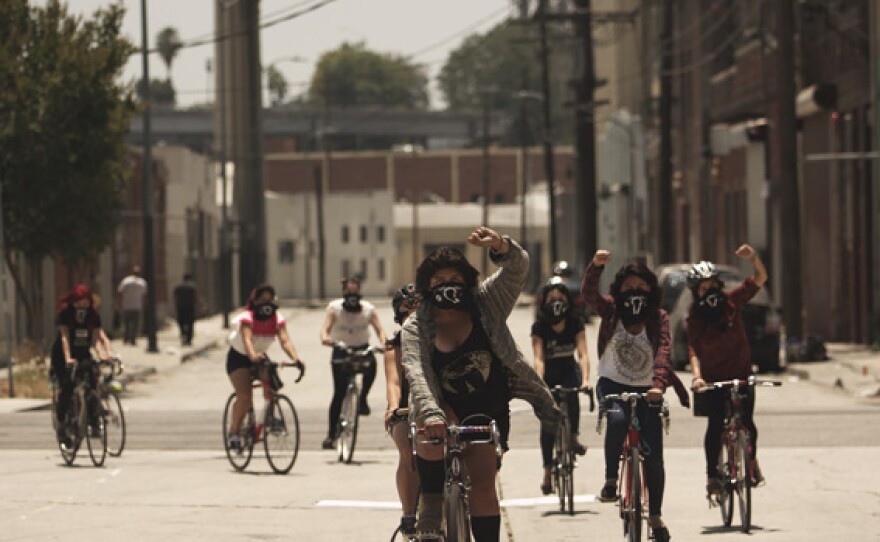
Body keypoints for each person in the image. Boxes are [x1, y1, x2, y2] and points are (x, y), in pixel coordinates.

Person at [403, 226, 559, 542]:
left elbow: (518, 270)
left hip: (487, 410)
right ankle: (430, 503)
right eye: (439, 283)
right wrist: (432, 413)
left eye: (455, 281)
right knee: (432, 430)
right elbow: (417, 372)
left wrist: (501, 246)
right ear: (426, 288)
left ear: (468, 282)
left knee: (484, 485)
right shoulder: (416, 326)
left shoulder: (487, 304)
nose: (448, 287)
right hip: (439, 407)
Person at [581, 250, 689, 542]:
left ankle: (654, 515)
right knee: (616, 421)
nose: (635, 293)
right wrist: (596, 267)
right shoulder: (612, 311)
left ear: (651, 291)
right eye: (628, 288)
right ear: (619, 291)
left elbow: (665, 349)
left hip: (649, 389)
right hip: (611, 383)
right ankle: (611, 479)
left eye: (641, 288)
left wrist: (658, 385)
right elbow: (589, 295)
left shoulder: (659, 317)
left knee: (654, 456)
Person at [687, 245, 769, 494]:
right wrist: (698, 377)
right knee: (715, 427)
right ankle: (712, 475)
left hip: (741, 374)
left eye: (712, 285)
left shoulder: (732, 302)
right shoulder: (696, 317)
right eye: (703, 288)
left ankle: (751, 462)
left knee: (747, 423)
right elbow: (693, 349)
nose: (709, 291)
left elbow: (760, 279)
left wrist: (753, 258)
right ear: (695, 293)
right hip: (713, 379)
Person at [226, 284, 304, 452]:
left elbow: (285, 340)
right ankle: (234, 432)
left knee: (272, 384)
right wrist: (252, 355)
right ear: (254, 301)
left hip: (259, 357)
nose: (266, 304)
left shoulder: (277, 319)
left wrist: (295, 358)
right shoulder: (247, 317)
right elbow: (247, 339)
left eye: (270, 300)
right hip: (239, 357)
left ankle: (270, 417)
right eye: (262, 300)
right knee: (245, 396)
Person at [531, 280, 591, 495]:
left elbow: (583, 354)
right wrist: (540, 385)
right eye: (551, 299)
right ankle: (547, 472)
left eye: (560, 299)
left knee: (572, 397)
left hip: (568, 370)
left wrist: (585, 380)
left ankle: (573, 436)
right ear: (544, 302)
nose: (556, 303)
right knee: (548, 421)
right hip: (549, 372)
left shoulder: (575, 322)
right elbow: (539, 359)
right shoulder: (539, 326)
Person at [320, 276, 386, 449]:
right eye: (348, 292)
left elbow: (379, 329)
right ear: (343, 292)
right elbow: (325, 329)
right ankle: (331, 435)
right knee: (339, 393)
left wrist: (385, 344)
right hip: (341, 348)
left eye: (355, 291)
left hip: (361, 347)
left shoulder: (368, 309)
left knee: (371, 366)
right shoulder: (334, 308)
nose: (352, 296)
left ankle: (363, 399)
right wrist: (326, 339)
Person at [51, 285, 116, 444]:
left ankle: (93, 419)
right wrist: (68, 358)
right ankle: (61, 426)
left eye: (86, 303)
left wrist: (103, 355)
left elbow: (95, 340)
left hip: (82, 353)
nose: (82, 307)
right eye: (79, 303)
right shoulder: (66, 315)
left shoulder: (93, 316)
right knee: (67, 386)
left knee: (92, 380)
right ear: (74, 302)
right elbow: (64, 338)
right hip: (62, 354)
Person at [383, 283, 422, 537]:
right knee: (407, 452)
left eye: (418, 308)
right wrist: (394, 407)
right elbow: (394, 382)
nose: (413, 315)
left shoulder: (439, 336)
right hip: (408, 408)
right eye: (407, 311)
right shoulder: (393, 345)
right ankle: (409, 515)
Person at [117, 265, 147, 345]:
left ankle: (127, 338)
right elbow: (144, 295)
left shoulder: (126, 281)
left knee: (127, 323)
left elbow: (120, 292)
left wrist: (119, 303)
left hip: (127, 305)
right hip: (136, 306)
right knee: (134, 324)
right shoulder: (142, 282)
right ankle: (132, 339)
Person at [173, 273, 201, 346]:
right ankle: (188, 339)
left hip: (181, 308)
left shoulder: (178, 287)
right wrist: (200, 306)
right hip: (190, 308)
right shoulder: (192, 287)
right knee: (190, 323)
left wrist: (175, 306)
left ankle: (183, 336)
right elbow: (196, 297)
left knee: (181, 323)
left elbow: (175, 298)